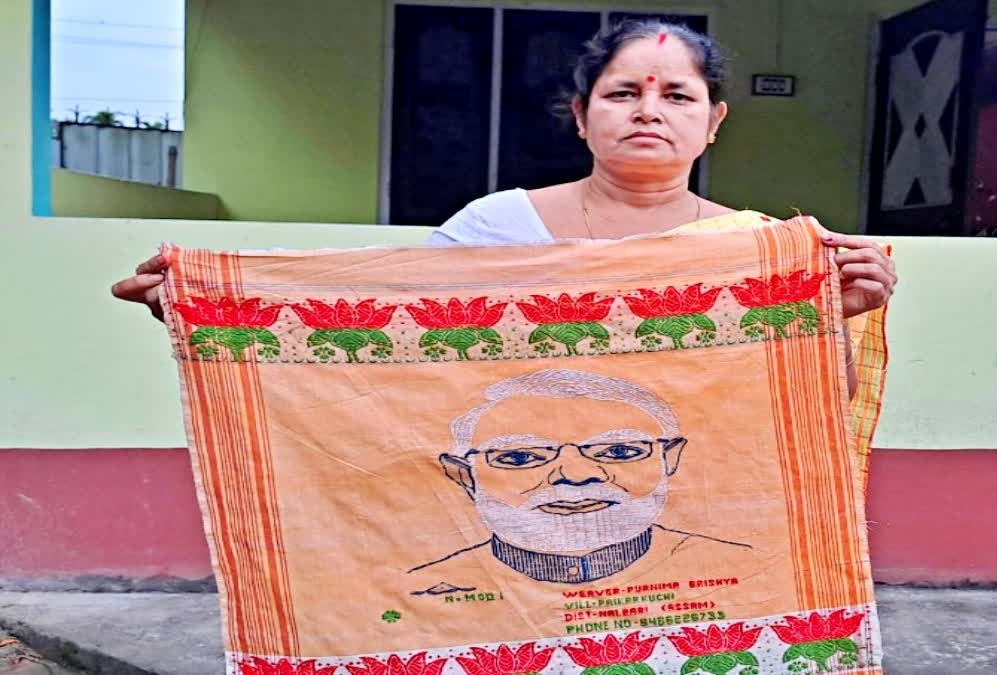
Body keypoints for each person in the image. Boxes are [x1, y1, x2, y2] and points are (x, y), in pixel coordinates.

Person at [111, 20, 896, 393]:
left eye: (677, 96)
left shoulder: (757, 249)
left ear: (714, 120)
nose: (649, 111)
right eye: (623, 92)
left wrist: (836, 316)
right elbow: (388, 339)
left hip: (691, 515)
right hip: (510, 497)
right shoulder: (497, 226)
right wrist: (215, 307)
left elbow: (812, 404)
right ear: (581, 116)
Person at [408, 368, 751, 593]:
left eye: (619, 451)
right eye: (520, 458)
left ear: (669, 459)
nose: (575, 475)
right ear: (464, 475)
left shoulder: (743, 571)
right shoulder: (423, 591)